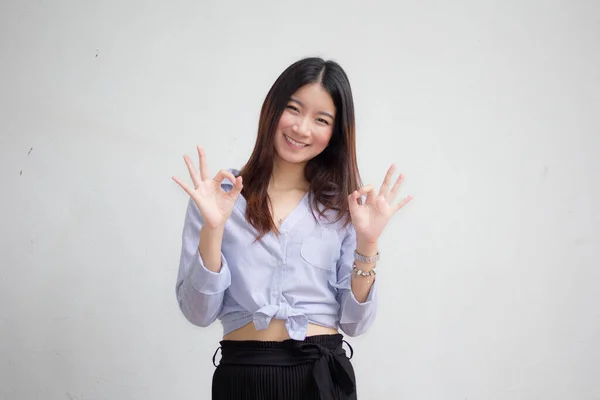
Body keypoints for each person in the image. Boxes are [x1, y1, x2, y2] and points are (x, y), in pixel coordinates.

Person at [172, 57, 413, 400]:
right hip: (243, 377)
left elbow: (355, 323)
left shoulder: (345, 208)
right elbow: (198, 314)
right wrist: (213, 229)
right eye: (293, 109)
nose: (302, 128)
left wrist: (368, 242)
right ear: (271, 109)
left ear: (335, 132)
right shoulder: (219, 198)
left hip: (319, 376)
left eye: (321, 119)